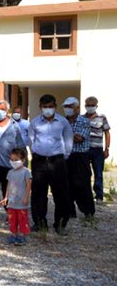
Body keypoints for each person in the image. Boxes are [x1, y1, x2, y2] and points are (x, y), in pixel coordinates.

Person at [28, 94, 73, 235]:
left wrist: (63, 156)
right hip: (39, 162)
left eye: (51, 107)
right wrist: (35, 152)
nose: (48, 109)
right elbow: (30, 140)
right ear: (40, 107)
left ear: (55, 106)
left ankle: (60, 224)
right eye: (45, 107)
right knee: (38, 194)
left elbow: (68, 140)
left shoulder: (63, 122)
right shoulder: (35, 122)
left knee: (61, 194)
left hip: (57, 162)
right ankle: (40, 223)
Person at [63, 97, 95, 225]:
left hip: (80, 157)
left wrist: (65, 134)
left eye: (70, 106)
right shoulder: (63, 121)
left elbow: (79, 138)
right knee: (66, 184)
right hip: (66, 156)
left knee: (82, 185)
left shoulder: (83, 121)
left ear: (77, 107)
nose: (68, 109)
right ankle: (70, 211)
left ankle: (88, 212)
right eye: (66, 106)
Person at [1, 148, 32, 246]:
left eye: (16, 160)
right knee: (12, 219)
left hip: (22, 202)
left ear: (23, 160)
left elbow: (28, 185)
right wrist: (6, 197)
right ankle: (13, 234)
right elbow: (8, 186)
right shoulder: (10, 172)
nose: (13, 162)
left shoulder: (26, 172)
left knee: (22, 219)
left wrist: (27, 197)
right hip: (12, 202)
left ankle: (22, 236)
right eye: (12, 160)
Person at [83, 96, 110, 204]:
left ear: (96, 106)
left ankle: (99, 196)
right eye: (88, 105)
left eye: (92, 105)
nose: (90, 107)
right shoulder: (81, 118)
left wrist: (107, 148)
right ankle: (86, 195)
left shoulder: (102, 118)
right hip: (84, 149)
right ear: (85, 106)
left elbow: (107, 133)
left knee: (98, 173)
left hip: (98, 150)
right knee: (85, 173)